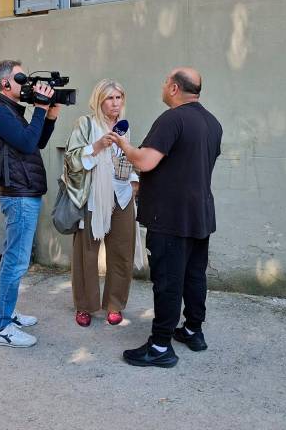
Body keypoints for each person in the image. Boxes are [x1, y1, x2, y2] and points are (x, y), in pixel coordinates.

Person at [110, 68, 222, 368]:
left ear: (174, 88)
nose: (162, 86)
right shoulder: (212, 122)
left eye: (165, 82)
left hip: (170, 217)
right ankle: (193, 330)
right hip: (200, 215)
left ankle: (160, 346)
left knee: (168, 281)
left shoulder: (172, 119)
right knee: (194, 276)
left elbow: (145, 162)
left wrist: (123, 145)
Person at [0, 60, 62, 348]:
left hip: (25, 191)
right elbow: (28, 144)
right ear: (5, 83)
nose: (27, 83)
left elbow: (35, 142)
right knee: (16, 261)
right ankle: (1, 327)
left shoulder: (12, 111)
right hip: (18, 195)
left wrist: (49, 116)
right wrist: (40, 108)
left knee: (14, 259)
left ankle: (8, 312)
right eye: (21, 78)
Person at [63, 79, 143, 328]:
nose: (115, 103)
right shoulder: (86, 124)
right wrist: (97, 146)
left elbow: (127, 159)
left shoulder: (124, 127)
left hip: (122, 196)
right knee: (86, 254)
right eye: (110, 98)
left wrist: (134, 182)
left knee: (122, 252)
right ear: (99, 101)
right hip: (93, 197)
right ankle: (85, 306)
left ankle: (114, 304)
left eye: (119, 98)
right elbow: (71, 160)